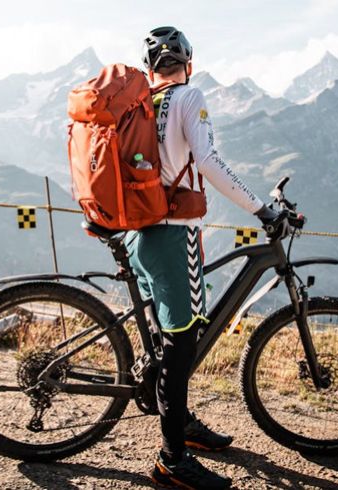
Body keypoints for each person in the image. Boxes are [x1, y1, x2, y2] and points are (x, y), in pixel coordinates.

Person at [132, 26, 280, 490]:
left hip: (146, 234)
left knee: (173, 338)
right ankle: (171, 461)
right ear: (187, 64)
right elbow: (210, 161)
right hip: (174, 237)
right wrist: (261, 208)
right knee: (181, 348)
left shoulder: (143, 104)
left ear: (149, 69)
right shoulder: (188, 98)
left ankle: (184, 423)